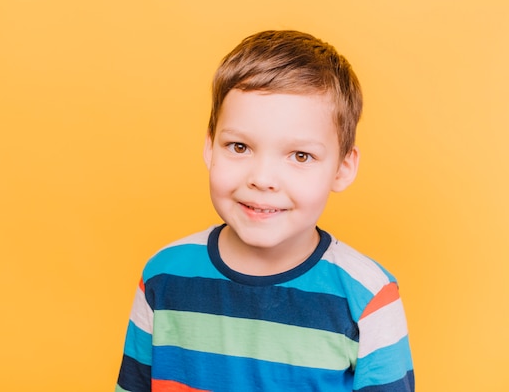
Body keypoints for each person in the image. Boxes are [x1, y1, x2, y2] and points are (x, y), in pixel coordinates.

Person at [115, 30, 414, 392]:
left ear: (342, 168)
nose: (262, 179)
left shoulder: (368, 296)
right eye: (239, 146)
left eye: (300, 156)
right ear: (210, 147)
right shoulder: (162, 277)